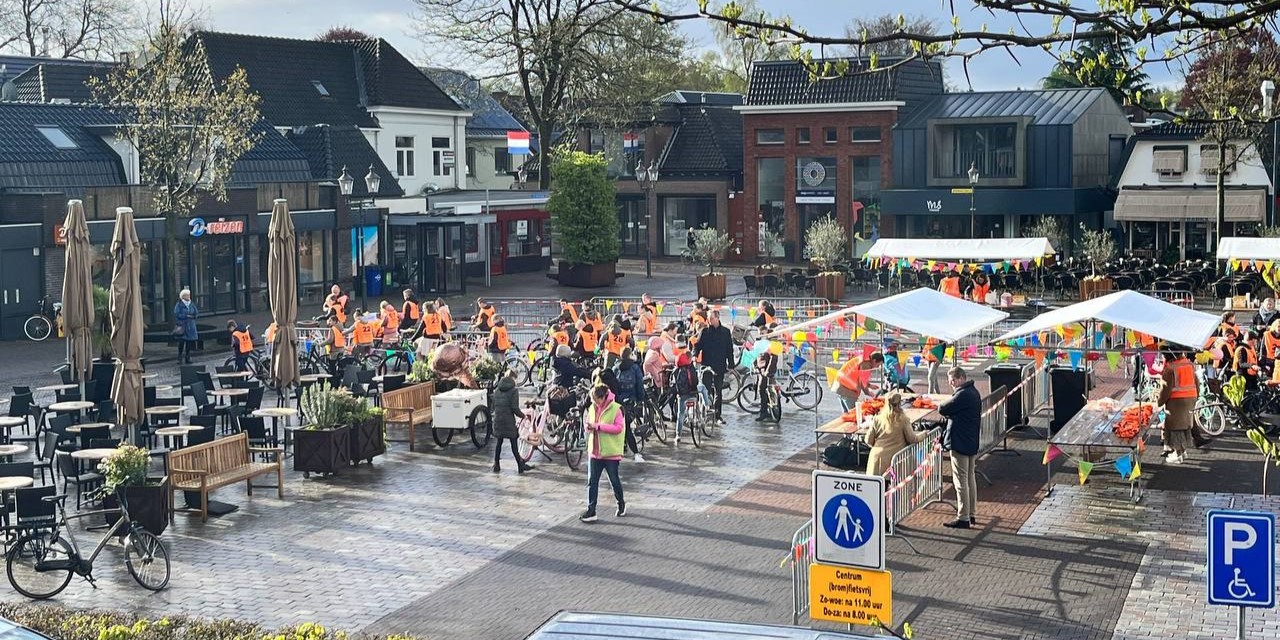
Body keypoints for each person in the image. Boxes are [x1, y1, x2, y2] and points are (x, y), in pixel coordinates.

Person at [939, 367, 980, 529]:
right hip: (970, 440)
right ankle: (971, 513)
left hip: (960, 441)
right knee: (970, 477)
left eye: (953, 381)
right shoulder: (973, 392)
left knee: (960, 480)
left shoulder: (962, 394)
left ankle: (963, 517)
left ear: (961, 378)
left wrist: (950, 413)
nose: (952, 385)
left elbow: (943, 408)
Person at [580, 383, 626, 523]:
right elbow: (588, 422)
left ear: (603, 397)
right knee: (592, 482)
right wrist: (588, 427)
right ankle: (591, 510)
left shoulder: (617, 409)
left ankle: (621, 503)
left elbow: (618, 428)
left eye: (596, 399)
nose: (594, 402)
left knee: (614, 480)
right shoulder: (592, 408)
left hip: (610, 452)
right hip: (594, 452)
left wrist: (598, 426)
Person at [865, 392, 927, 476]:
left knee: (878, 487)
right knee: (894, 487)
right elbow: (912, 439)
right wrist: (924, 434)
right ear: (899, 403)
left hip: (877, 459)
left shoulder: (877, 419)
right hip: (894, 461)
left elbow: (868, 440)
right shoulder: (903, 419)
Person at [692, 310, 734, 423]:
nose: (709, 321)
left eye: (711, 318)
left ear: (717, 318)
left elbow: (729, 349)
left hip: (719, 365)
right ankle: (706, 412)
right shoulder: (705, 331)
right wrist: (694, 356)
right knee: (706, 390)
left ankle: (717, 415)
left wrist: (731, 364)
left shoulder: (725, 332)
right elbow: (697, 345)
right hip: (707, 365)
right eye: (709, 319)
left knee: (718, 391)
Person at [1158, 349, 1197, 464]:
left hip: (1176, 401)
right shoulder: (1189, 364)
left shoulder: (1170, 368)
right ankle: (1183, 451)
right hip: (1191, 398)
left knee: (1175, 427)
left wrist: (1159, 403)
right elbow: (1197, 381)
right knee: (1185, 425)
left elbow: (1165, 389)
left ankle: (1177, 453)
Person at [489, 371, 533, 474]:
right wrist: (523, 416)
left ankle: (496, 464)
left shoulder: (497, 390)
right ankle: (520, 465)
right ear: (513, 378)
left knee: (499, 443)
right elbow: (515, 408)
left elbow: (493, 406)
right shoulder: (513, 391)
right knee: (514, 444)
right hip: (508, 421)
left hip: (498, 420)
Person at [615, 348, 646, 463]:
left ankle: (623, 445)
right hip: (630, 399)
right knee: (627, 425)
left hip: (618, 400)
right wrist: (640, 398)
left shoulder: (616, 367)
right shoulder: (634, 368)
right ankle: (636, 452)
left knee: (621, 422)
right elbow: (639, 384)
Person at [671, 351, 699, 444]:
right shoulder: (691, 368)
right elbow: (696, 380)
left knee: (680, 414)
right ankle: (698, 419)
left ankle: (678, 435)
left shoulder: (676, 370)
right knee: (697, 403)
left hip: (682, 395)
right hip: (692, 392)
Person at [755, 335, 780, 423]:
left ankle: (764, 412)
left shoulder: (769, 347)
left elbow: (771, 359)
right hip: (765, 371)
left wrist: (767, 372)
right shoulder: (768, 346)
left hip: (765, 371)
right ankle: (768, 410)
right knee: (765, 390)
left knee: (762, 389)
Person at [174, 289, 199, 364]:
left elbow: (196, 313)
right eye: (187, 295)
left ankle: (188, 358)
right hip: (183, 326)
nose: (189, 296)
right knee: (181, 342)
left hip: (191, 326)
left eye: (189, 295)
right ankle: (179, 357)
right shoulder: (179, 304)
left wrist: (193, 316)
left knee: (189, 343)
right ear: (183, 296)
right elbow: (176, 314)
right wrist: (185, 316)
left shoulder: (192, 304)